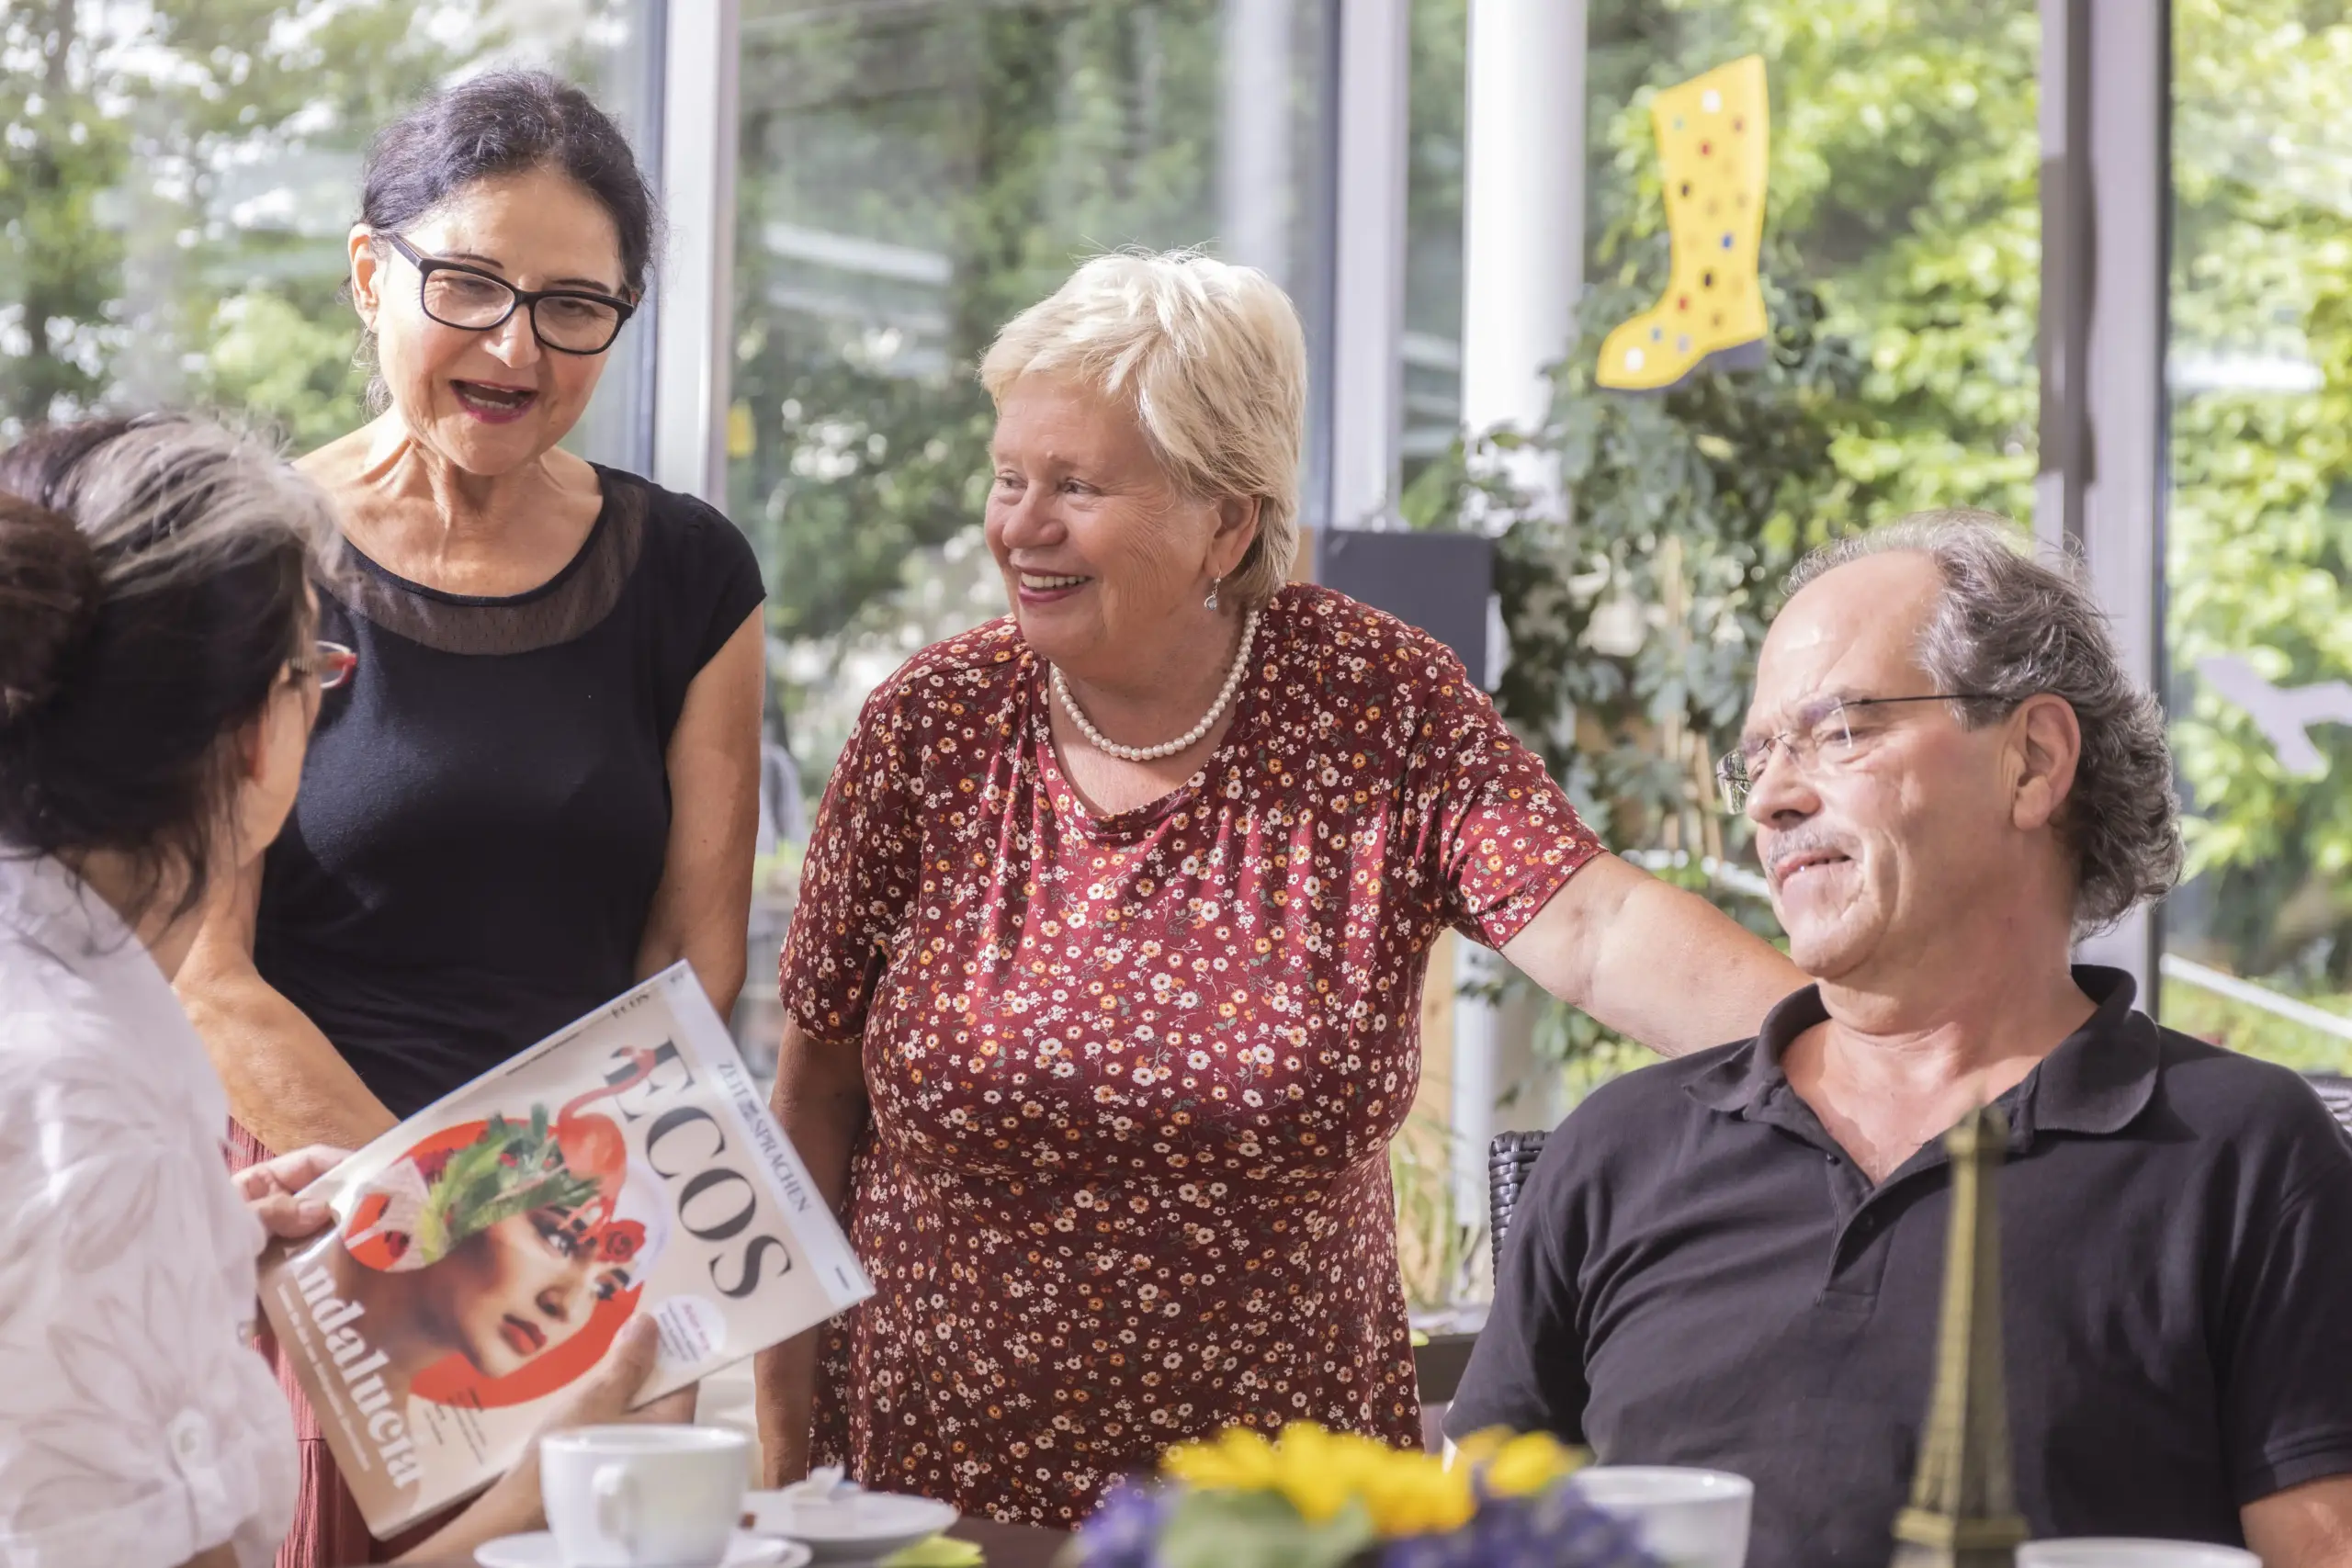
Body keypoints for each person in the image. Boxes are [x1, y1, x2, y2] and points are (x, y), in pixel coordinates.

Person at [753, 249, 1805, 1526]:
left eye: (1076, 485)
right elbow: (811, 1098)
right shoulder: (933, 725)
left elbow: (1593, 922)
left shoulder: (1372, 703)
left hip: (1282, 1520)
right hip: (936, 1501)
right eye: (1009, 476)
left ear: (1227, 521)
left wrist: (1873, 1057)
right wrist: (784, 1469)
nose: (1020, 525)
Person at [1447, 512, 2352, 1568]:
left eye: (1838, 731)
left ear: (2032, 761)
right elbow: (1466, 1540)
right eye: (1757, 759)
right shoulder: (1618, 1150)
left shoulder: (2245, 1154)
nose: (1772, 800)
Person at [172, 70, 766, 1564]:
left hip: (583, 1255)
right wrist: (442, 1226)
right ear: (370, 274)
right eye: (470, 286)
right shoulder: (244, 559)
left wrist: (569, 1251)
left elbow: (691, 963)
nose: (517, 347)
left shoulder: (692, 573)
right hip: (323, 1248)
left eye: (575, 306)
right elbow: (206, 972)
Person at [0, 416, 681, 1568]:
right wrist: (532, 1501)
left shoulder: (82, 1012)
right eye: (315, 672)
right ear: (251, 737)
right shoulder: (91, 1100)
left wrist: (202, 1245)